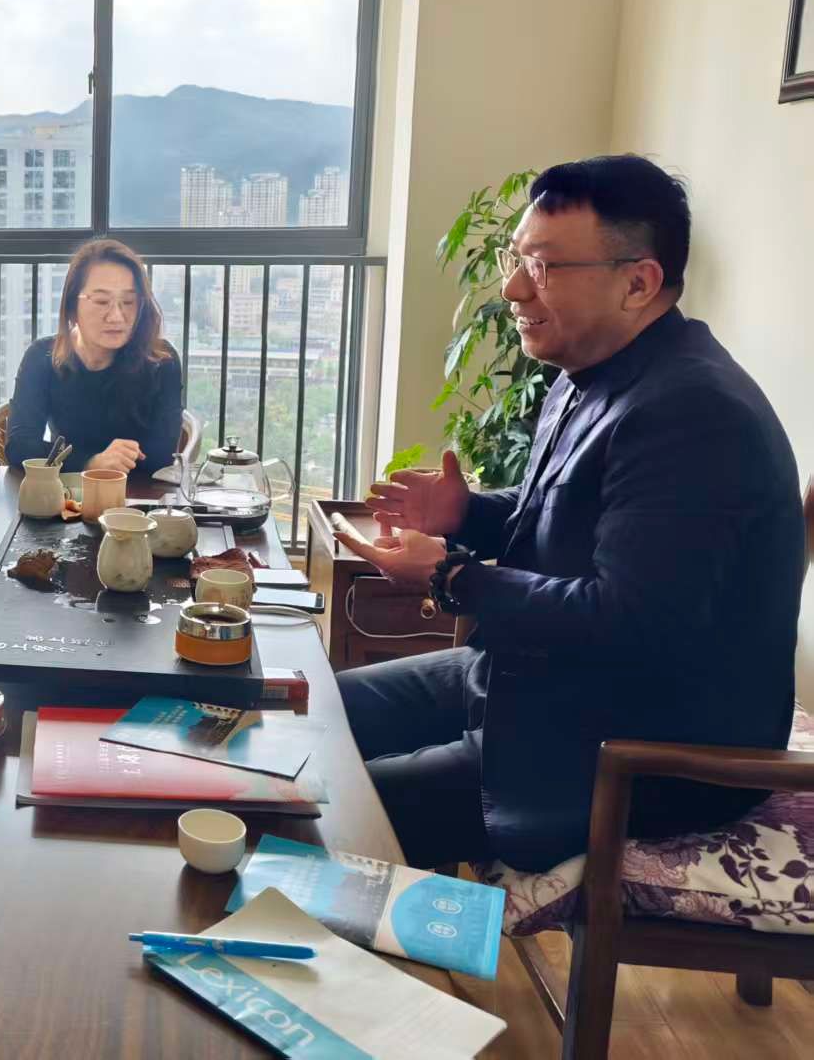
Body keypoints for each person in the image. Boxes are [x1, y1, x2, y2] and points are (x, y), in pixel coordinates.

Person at [335, 156, 802, 872]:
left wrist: (452, 577)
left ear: (638, 282)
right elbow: (576, 522)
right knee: (312, 714)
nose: (513, 289)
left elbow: (627, 619)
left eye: (544, 267)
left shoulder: (693, 413)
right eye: (516, 258)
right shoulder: (592, 369)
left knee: (324, 802)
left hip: (626, 751)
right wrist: (467, 512)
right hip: (537, 685)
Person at [5, 239, 183, 475]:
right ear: (72, 305)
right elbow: (19, 446)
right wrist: (90, 462)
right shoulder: (43, 356)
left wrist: (92, 463)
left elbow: (161, 457)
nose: (117, 316)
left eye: (128, 302)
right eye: (101, 302)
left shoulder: (161, 361)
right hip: (66, 493)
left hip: (136, 494)